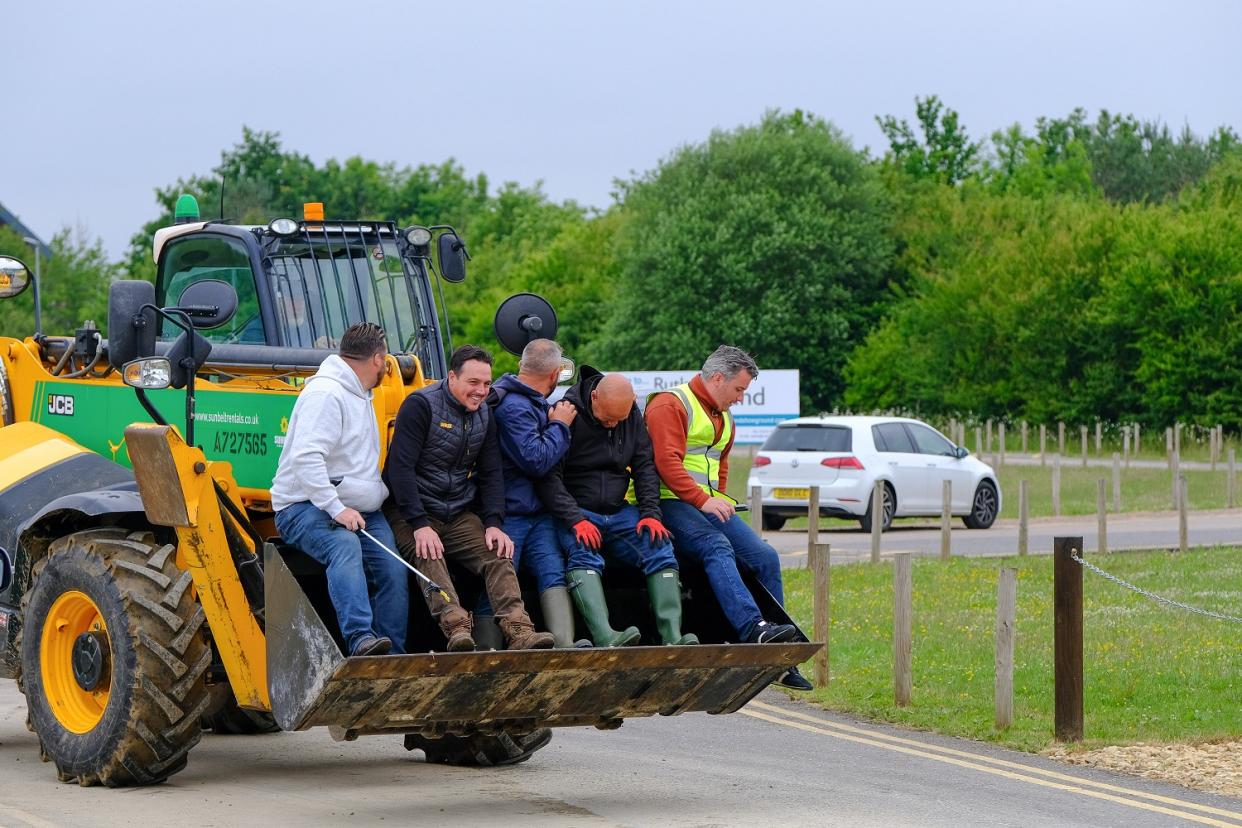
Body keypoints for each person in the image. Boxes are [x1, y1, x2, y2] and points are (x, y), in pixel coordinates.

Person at [646, 345, 813, 690]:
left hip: (705, 502)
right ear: (717, 378)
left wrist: (718, 499)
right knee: (716, 546)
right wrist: (704, 500)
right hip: (668, 501)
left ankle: (780, 656)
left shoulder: (722, 414)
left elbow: (719, 465)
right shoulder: (669, 404)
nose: (740, 398)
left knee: (764, 556)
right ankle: (754, 630)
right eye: (738, 390)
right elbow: (666, 463)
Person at [382, 345, 554, 651]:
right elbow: (399, 469)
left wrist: (493, 523)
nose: (481, 391)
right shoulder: (420, 405)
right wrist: (420, 524)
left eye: (487, 384)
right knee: (429, 552)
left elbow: (491, 473)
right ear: (452, 377)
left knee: (498, 554)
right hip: (412, 510)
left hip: (457, 511)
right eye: (473, 383)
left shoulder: (485, 413)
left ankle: (520, 631)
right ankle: (457, 628)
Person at [271, 322, 409, 657]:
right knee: (344, 546)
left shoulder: (361, 393)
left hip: (358, 507)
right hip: (303, 507)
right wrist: (336, 509)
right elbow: (306, 459)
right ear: (378, 359)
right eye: (386, 360)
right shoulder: (326, 395)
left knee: (392, 566)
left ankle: (393, 658)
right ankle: (361, 640)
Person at [538, 368, 699, 647]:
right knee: (583, 552)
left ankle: (672, 637)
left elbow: (645, 467)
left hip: (619, 510)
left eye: (619, 419)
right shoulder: (565, 413)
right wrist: (574, 519)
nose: (613, 424)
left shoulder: (631, 415)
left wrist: (650, 514)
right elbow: (548, 477)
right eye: (608, 418)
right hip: (578, 510)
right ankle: (605, 636)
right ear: (595, 396)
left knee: (659, 545)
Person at [490, 338, 584, 648]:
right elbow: (536, 460)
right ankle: (484, 651)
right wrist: (560, 425)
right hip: (513, 514)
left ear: (522, 365)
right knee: (500, 583)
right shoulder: (515, 406)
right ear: (556, 373)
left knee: (552, 573)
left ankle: (563, 647)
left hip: (536, 513)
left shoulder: (531, 401)